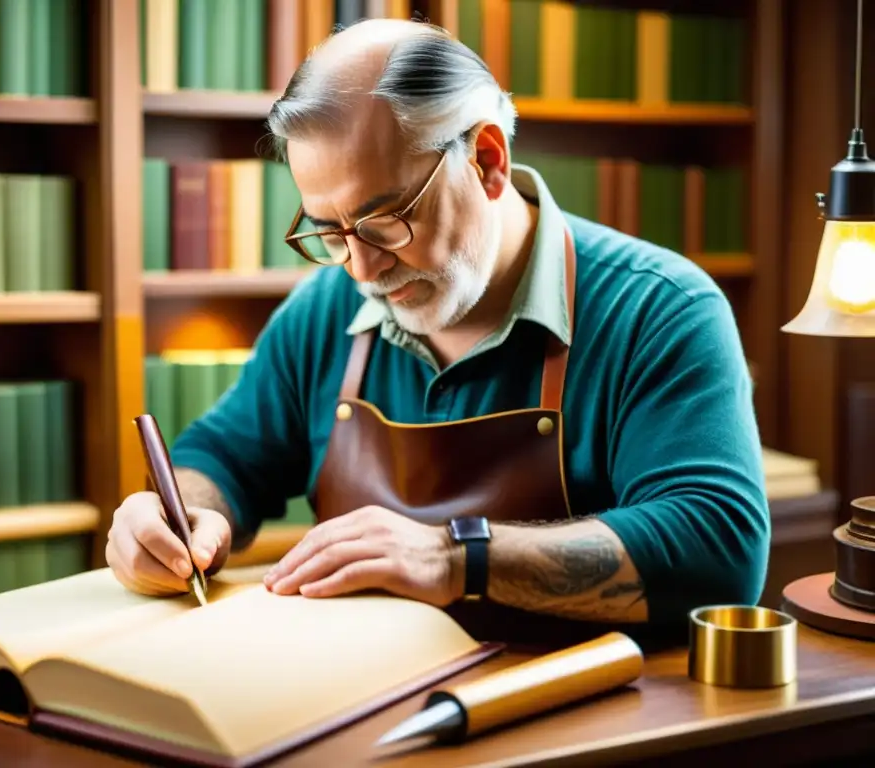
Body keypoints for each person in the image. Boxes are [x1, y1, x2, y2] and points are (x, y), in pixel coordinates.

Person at [106, 18, 770, 634]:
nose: (362, 268)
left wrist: (458, 557)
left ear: (487, 160)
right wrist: (184, 515)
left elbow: (718, 549)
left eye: (387, 219)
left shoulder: (658, 309)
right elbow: (222, 457)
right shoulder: (323, 312)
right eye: (330, 231)